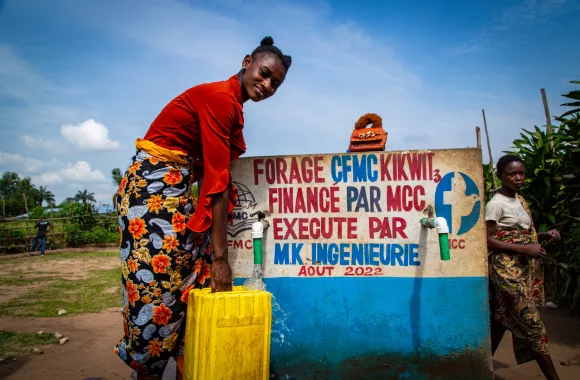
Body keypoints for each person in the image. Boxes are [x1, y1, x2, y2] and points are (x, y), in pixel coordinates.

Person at [113, 36, 291, 379]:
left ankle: (183, 362)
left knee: (192, 277)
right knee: (159, 287)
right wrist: (221, 259)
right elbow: (216, 181)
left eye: (276, 83)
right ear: (246, 62)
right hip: (152, 191)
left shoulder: (231, 105)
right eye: (265, 73)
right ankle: (146, 367)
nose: (267, 85)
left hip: (172, 190)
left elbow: (211, 177)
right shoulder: (219, 98)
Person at [486, 154, 561, 380]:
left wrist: (543, 236)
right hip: (505, 270)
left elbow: (520, 234)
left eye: (521, 173)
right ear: (501, 176)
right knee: (532, 325)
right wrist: (524, 249)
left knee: (501, 318)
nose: (518, 177)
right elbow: (486, 240)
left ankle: (477, 366)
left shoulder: (519, 199)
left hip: (522, 268)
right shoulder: (495, 204)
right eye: (512, 174)